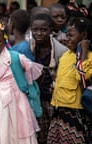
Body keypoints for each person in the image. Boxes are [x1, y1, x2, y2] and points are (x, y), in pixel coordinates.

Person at [0, 19, 43, 144]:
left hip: (15, 107)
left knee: (13, 136)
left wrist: (27, 90)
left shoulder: (16, 58)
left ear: (5, 41)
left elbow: (38, 73)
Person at [47, 17, 92, 144]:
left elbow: (81, 77)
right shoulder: (66, 55)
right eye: (66, 35)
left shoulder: (89, 57)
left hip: (75, 111)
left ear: (83, 36)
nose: (66, 38)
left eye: (71, 35)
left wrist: (83, 52)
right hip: (59, 109)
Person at [30, 13, 67, 144]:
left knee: (54, 134)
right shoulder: (29, 48)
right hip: (36, 99)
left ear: (51, 30)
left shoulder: (60, 51)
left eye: (43, 30)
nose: (39, 33)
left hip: (53, 99)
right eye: (35, 30)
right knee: (39, 133)